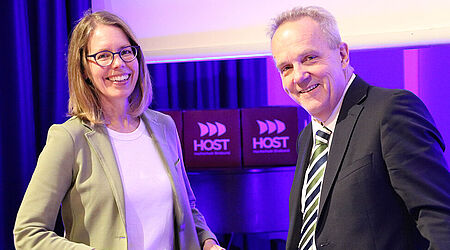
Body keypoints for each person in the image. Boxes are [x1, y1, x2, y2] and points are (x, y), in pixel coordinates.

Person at [14, 10, 224, 250]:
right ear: (84, 69)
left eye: (125, 52)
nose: (118, 63)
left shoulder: (164, 126)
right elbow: (28, 233)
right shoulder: (69, 138)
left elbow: (188, 208)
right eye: (103, 56)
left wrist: (208, 243)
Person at [269, 6, 450, 250]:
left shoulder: (390, 110)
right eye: (286, 68)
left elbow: (439, 219)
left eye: (309, 58)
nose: (299, 76)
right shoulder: (307, 137)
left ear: (342, 54)